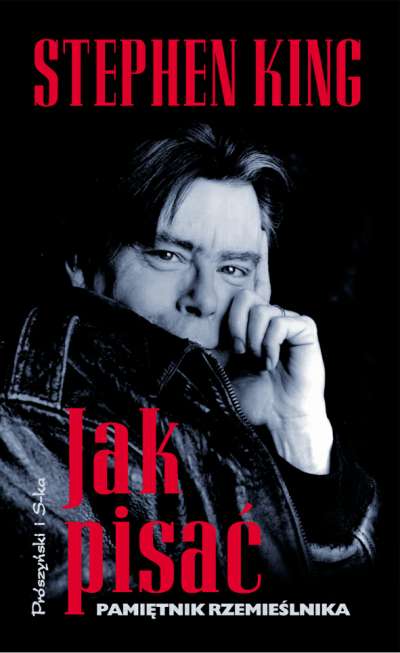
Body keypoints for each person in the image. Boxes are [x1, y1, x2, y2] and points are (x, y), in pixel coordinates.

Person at [0, 123, 377, 609]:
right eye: (168, 255)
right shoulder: (27, 423)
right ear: (83, 263)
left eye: (233, 268)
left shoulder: (210, 414)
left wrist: (298, 437)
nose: (205, 298)